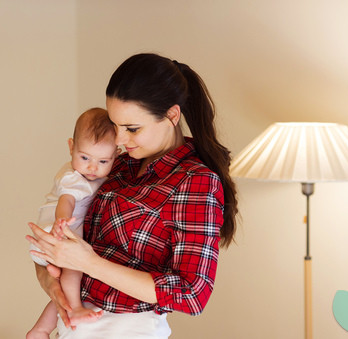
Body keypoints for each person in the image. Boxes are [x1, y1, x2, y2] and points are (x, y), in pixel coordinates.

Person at [27, 53, 238, 338]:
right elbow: (68, 241)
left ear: (172, 116)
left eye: (132, 128)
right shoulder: (116, 166)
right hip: (75, 324)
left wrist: (88, 263)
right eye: (115, 125)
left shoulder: (195, 181)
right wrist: (51, 283)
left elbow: (192, 294)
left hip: (127, 328)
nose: (120, 140)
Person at [27, 108, 119, 339]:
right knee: (75, 271)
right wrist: (62, 223)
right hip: (56, 233)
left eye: (103, 161)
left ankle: (41, 329)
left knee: (69, 285)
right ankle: (76, 310)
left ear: (115, 155)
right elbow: (66, 201)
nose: (92, 167)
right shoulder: (73, 177)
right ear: (71, 147)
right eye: (85, 157)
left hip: (54, 238)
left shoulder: (95, 174)